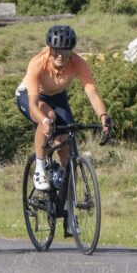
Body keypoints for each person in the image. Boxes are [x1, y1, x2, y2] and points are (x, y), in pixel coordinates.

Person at [15, 23, 109, 218]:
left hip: (57, 97)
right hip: (31, 96)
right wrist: (43, 120)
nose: (60, 56)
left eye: (65, 52)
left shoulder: (78, 63)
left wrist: (103, 116)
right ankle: (40, 167)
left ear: (71, 52)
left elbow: (91, 91)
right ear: (50, 49)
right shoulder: (38, 63)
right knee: (48, 119)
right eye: (56, 51)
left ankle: (67, 207)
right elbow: (33, 104)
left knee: (67, 145)